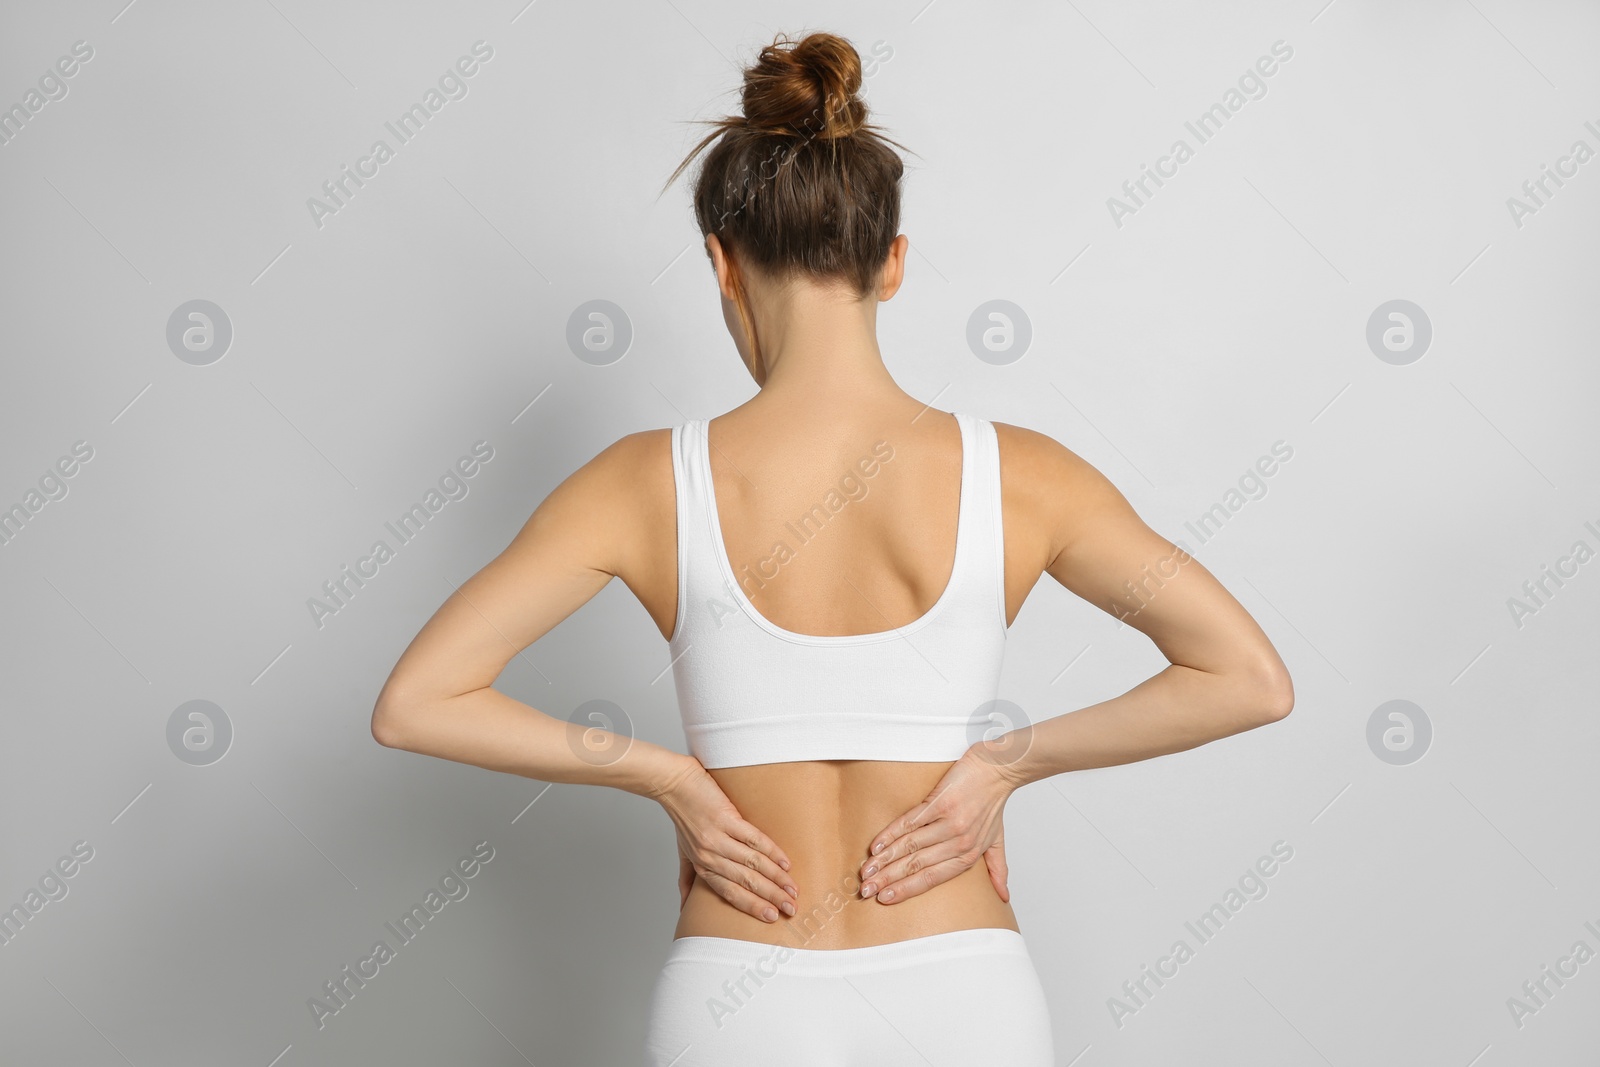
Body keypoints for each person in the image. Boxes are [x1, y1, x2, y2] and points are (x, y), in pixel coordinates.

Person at [370, 30, 1294, 1066]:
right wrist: (1005, 762)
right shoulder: (1026, 476)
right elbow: (1247, 678)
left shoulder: (641, 484)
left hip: (738, 995)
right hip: (963, 987)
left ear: (720, 262)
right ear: (892, 263)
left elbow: (417, 703)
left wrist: (668, 778)